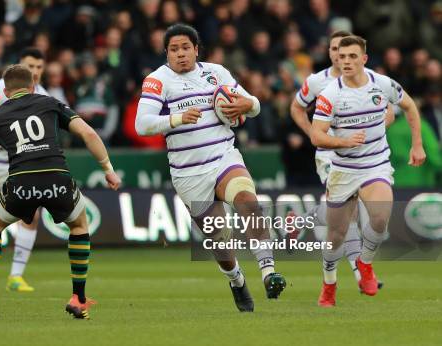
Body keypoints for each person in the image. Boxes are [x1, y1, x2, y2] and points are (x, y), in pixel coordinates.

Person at [135, 23, 286, 313]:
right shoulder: (157, 81)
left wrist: (249, 104)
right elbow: (142, 124)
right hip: (189, 172)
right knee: (220, 243)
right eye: (174, 49)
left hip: (223, 157)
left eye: (185, 48)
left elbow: (252, 104)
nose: (180, 54)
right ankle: (236, 279)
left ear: (196, 49)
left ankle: (268, 272)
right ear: (166, 53)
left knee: (248, 202)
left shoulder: (216, 72)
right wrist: (176, 119)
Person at [0, 64, 121, 320]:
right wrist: (108, 168)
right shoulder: (50, 103)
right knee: (80, 226)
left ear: (5, 92)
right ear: (33, 86)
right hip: (56, 178)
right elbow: (88, 132)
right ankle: (78, 299)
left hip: (20, 182)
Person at [310, 35, 426, 306]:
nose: (346, 61)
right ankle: (329, 285)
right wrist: (343, 141)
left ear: (364, 59)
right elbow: (317, 135)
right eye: (342, 57)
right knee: (335, 237)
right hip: (343, 170)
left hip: (376, 165)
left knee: (380, 217)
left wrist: (417, 145)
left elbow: (409, 106)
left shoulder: (382, 84)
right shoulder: (330, 95)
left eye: (352, 56)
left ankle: (365, 263)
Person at [290, 31, 391, 298]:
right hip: (330, 155)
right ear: (330, 52)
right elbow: (296, 108)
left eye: (344, 50)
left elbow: (389, 111)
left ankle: (303, 219)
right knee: (349, 216)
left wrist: (372, 132)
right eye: (335, 49)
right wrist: (314, 134)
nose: (339, 54)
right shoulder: (317, 82)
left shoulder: (370, 80)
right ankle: (360, 274)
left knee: (348, 216)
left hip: (365, 156)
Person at [0, 48, 49, 292]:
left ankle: (16, 276)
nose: (35, 71)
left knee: (31, 215)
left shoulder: (43, 94)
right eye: (30, 66)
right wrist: (7, 141)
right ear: (19, 65)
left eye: (39, 67)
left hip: (23, 164)